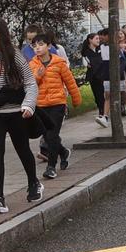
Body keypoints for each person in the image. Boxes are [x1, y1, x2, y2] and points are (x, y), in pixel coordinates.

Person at [0, 14, 42, 214]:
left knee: (22, 149)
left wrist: (28, 105)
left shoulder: (14, 54)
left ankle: (33, 183)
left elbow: (30, 83)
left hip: (15, 111)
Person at [30, 32, 82, 180]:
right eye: (34, 46)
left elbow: (70, 81)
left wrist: (76, 99)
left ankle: (51, 167)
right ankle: (63, 152)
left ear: (49, 46)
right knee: (47, 136)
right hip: (40, 105)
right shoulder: (33, 64)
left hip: (57, 103)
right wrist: (38, 76)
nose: (38, 48)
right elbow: (30, 84)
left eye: (41, 45)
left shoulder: (59, 63)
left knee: (52, 134)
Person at [79, 30, 110, 125]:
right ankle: (101, 111)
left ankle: (104, 112)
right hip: (93, 76)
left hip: (103, 74)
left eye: (99, 39)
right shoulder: (85, 52)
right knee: (98, 94)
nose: (98, 40)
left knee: (105, 94)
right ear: (90, 40)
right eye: (96, 39)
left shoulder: (101, 49)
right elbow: (87, 63)